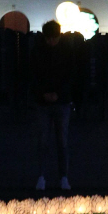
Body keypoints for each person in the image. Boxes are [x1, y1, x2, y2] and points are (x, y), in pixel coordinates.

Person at [30, 20, 74, 191]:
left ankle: (62, 177)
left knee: (60, 141)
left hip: (55, 101)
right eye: (49, 39)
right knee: (45, 141)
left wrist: (50, 94)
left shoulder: (41, 50)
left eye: (53, 39)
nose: (51, 42)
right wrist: (48, 94)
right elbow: (33, 75)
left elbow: (70, 75)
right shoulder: (42, 51)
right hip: (52, 101)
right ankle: (44, 177)